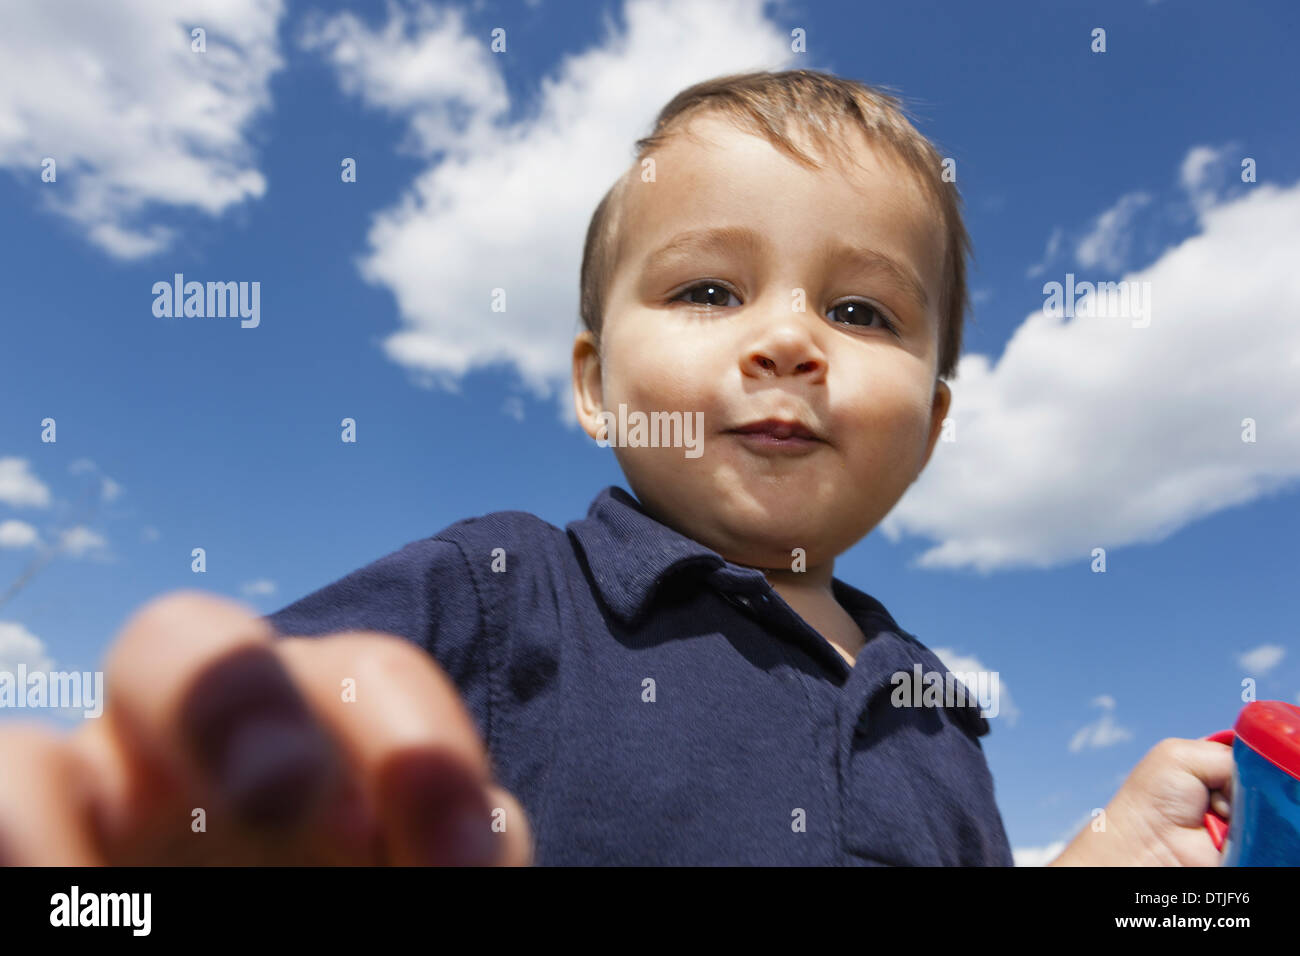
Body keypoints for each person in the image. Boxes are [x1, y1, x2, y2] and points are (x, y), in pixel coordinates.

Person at [0, 69, 1232, 866]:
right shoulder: (503, 589)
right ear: (594, 384)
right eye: (708, 289)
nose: (790, 339)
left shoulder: (937, 706)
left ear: (933, 419)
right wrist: (191, 800)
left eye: (862, 312)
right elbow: (245, 742)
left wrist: (1110, 852)